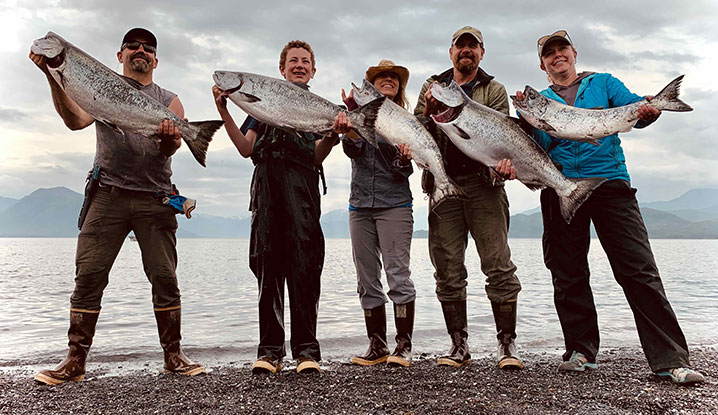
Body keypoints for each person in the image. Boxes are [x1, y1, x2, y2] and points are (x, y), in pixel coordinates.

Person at [511, 29, 704, 384]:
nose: (558, 56)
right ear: (542, 65)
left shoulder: (604, 83)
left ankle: (670, 360)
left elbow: (636, 112)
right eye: (550, 53)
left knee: (638, 269)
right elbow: (535, 147)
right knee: (567, 273)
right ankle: (581, 350)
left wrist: (650, 110)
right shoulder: (540, 102)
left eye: (562, 49)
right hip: (560, 187)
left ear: (573, 53)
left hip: (610, 183)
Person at [29, 28, 204, 385]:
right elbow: (75, 121)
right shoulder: (98, 87)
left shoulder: (170, 100)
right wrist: (53, 75)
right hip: (106, 195)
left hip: (156, 197)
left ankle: (174, 355)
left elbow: (168, 150)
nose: (141, 50)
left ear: (156, 60)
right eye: (133, 46)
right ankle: (75, 361)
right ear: (120, 55)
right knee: (89, 276)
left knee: (165, 278)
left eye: (148, 48)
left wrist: (172, 140)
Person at [212, 40, 348, 374]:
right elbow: (245, 148)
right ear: (281, 68)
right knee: (268, 268)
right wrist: (224, 111)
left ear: (313, 70)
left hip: (303, 188)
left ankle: (307, 352)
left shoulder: (320, 108)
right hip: (267, 188)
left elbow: (317, 155)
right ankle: (269, 351)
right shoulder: (262, 105)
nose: (299, 65)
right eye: (293, 61)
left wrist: (333, 135)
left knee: (305, 269)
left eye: (305, 61)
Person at [414, 26, 523, 370]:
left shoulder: (494, 89)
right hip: (443, 186)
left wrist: (505, 164)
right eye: (460, 46)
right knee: (447, 268)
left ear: (481, 53)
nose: (466, 51)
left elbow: (497, 136)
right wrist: (431, 113)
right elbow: (417, 134)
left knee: (498, 265)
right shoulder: (431, 86)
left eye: (472, 47)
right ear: (451, 52)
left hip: (485, 188)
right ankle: (458, 344)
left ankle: (507, 344)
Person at [341, 60, 416, 367]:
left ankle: (404, 345)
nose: (387, 80)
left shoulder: (408, 121)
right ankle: (377, 344)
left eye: (392, 77)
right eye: (381, 77)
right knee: (366, 279)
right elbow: (351, 151)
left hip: (395, 204)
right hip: (359, 205)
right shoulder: (356, 116)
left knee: (398, 275)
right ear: (371, 86)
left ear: (399, 86)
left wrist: (402, 158)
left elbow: (406, 171)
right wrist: (353, 129)